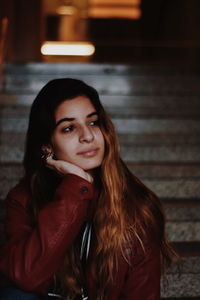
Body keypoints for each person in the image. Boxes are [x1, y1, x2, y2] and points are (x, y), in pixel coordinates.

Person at [0, 78, 177, 299]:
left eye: (93, 123)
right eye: (69, 128)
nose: (88, 136)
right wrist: (76, 187)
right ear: (47, 146)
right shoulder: (23, 199)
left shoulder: (137, 207)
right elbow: (25, 275)